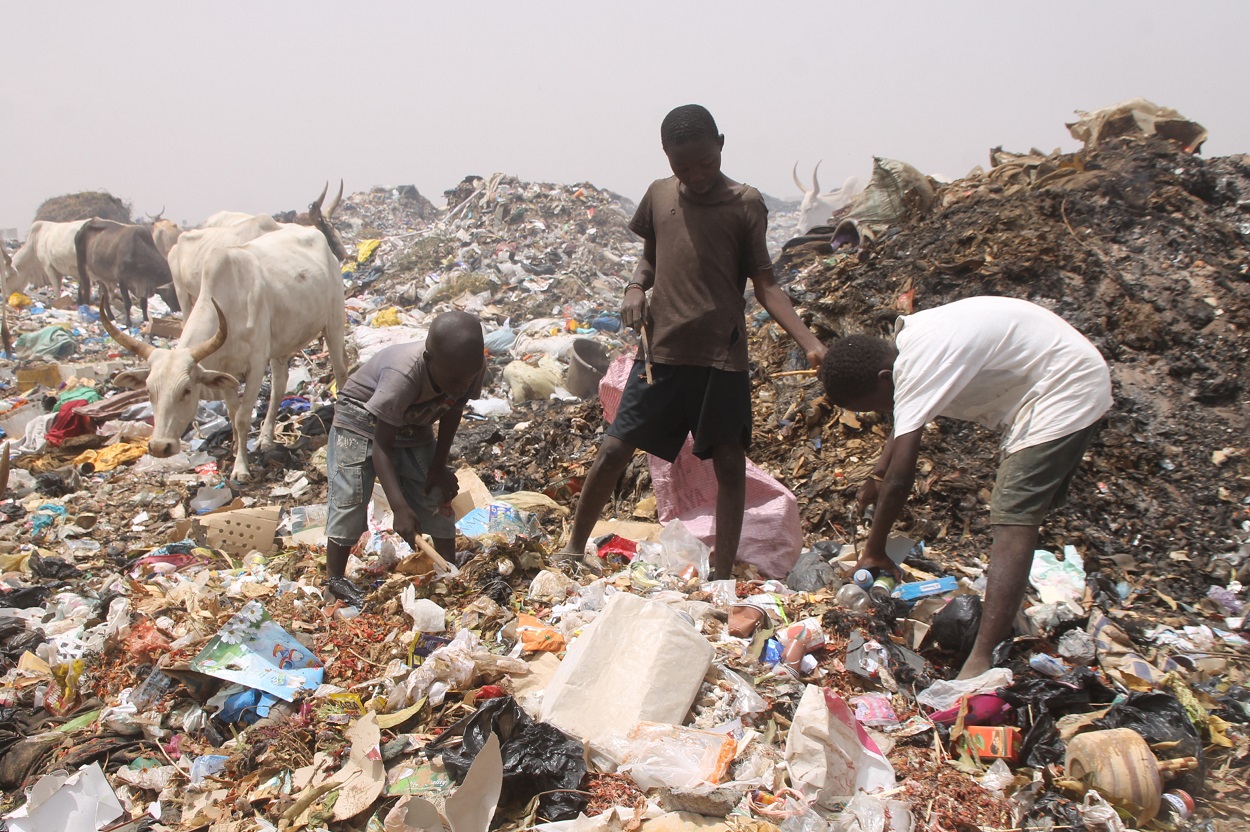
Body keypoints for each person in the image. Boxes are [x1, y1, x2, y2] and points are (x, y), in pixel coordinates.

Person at [559, 104, 826, 581]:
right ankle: (574, 548)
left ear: (721, 144)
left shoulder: (745, 204)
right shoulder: (660, 196)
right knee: (613, 451)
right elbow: (649, 261)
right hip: (660, 353)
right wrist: (635, 289)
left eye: (706, 162)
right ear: (666, 158)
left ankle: (722, 575)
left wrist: (808, 342)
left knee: (727, 464)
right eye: (683, 167)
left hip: (721, 358)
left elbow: (765, 283)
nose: (697, 176)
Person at [818, 296, 1113, 678]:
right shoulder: (911, 347)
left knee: (1012, 515)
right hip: (1055, 381)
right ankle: (1008, 622)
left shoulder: (916, 364)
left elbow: (901, 479)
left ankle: (980, 658)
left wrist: (874, 548)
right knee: (1019, 511)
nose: (880, 413)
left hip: (1064, 386)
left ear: (884, 379)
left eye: (875, 406)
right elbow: (904, 422)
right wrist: (875, 474)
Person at [323, 310, 485, 600]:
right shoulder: (403, 377)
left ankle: (447, 566)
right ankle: (334, 579)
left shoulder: (467, 367)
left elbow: (453, 410)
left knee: (433, 490)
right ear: (429, 361)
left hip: (414, 419)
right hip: (360, 419)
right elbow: (382, 446)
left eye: (467, 379)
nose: (461, 387)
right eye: (454, 380)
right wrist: (399, 508)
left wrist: (438, 466)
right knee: (351, 494)